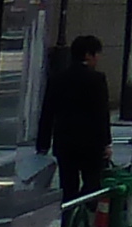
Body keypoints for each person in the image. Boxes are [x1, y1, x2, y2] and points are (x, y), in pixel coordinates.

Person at [38, 34, 114, 200]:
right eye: (97, 54)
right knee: (92, 184)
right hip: (91, 144)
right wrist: (106, 143)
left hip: (65, 142)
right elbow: (102, 113)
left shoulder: (57, 78)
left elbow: (48, 111)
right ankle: (84, 215)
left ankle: (69, 220)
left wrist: (43, 143)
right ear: (88, 55)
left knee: (68, 186)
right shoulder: (96, 79)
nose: (98, 58)